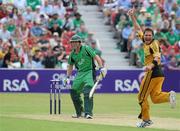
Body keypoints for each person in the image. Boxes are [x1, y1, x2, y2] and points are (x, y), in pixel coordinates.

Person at [127, 8, 176, 128]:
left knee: (141, 97)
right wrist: (132, 16)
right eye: (146, 35)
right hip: (159, 74)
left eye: (149, 35)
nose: (147, 37)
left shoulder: (153, 44)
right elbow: (138, 28)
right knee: (154, 98)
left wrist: (150, 65)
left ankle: (146, 120)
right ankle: (169, 96)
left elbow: (158, 57)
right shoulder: (145, 41)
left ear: (153, 36)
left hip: (153, 72)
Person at [64, 35, 107, 119]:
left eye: (74, 42)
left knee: (87, 92)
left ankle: (88, 113)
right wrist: (67, 77)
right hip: (80, 73)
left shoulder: (86, 48)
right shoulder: (72, 54)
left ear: (79, 43)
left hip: (89, 72)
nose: (72, 44)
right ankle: (79, 112)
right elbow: (70, 66)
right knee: (73, 92)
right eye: (71, 42)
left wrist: (101, 67)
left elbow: (96, 57)